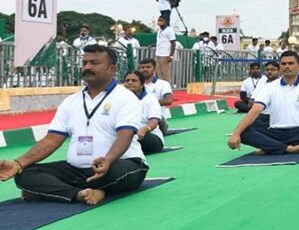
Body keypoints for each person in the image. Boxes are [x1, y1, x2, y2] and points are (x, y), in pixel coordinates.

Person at [0, 45, 147, 205]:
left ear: (112, 69)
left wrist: (108, 160)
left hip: (120, 164)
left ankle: (51, 190)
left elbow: (125, 135)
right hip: (77, 170)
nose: (87, 67)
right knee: (25, 175)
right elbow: (51, 140)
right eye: (84, 63)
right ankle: (81, 193)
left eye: (94, 63)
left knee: (116, 173)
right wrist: (18, 163)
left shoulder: (126, 98)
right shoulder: (71, 102)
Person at [228, 51, 299, 155]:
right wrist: (236, 133)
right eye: (283, 64)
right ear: (280, 67)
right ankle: (289, 149)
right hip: (276, 131)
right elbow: (255, 110)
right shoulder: (270, 87)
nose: (287, 66)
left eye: (291, 63)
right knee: (244, 133)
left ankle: (271, 146)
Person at [123, 70, 164, 154]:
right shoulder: (120, 100)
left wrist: (145, 129)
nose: (130, 83)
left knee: (131, 136)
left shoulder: (150, 100)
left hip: (148, 136)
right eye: (127, 81)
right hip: (126, 134)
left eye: (134, 81)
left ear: (141, 84)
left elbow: (154, 122)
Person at [138, 58, 173, 134]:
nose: (145, 69)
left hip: (158, 119)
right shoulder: (135, 85)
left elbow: (168, 100)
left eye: (148, 67)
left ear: (154, 68)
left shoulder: (163, 84)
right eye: (142, 67)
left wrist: (149, 104)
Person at [154, 16, 175, 82]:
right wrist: (152, 45)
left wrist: (171, 55)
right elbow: (161, 41)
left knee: (165, 73)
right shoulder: (159, 30)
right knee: (158, 72)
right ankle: (161, 87)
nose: (159, 22)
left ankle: (168, 89)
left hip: (165, 54)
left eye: (161, 20)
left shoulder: (169, 30)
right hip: (158, 53)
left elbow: (173, 43)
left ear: (165, 21)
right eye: (158, 20)